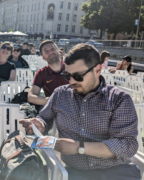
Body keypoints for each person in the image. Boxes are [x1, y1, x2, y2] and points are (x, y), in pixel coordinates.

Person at [20, 43, 140, 180]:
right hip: (76, 172)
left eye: (78, 76)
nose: (71, 81)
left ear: (98, 70)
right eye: (67, 75)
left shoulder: (118, 99)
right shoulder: (60, 94)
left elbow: (127, 145)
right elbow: (45, 118)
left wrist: (79, 147)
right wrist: (40, 124)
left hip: (117, 171)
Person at [28, 40, 69, 107]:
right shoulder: (42, 73)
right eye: (46, 51)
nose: (50, 52)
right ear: (43, 57)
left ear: (58, 51)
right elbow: (31, 97)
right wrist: (53, 100)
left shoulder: (71, 68)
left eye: (52, 48)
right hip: (54, 109)